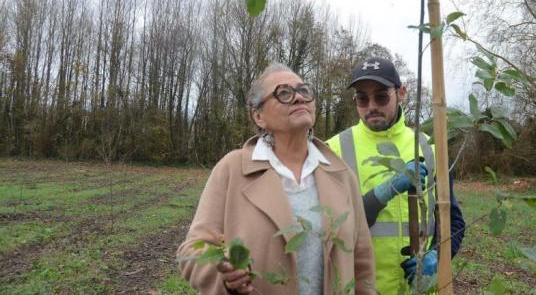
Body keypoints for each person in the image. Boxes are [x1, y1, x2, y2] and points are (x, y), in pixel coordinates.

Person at [177, 63, 375, 295]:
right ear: (258, 116)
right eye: (284, 93)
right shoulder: (232, 170)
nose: (299, 98)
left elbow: (362, 266)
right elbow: (191, 251)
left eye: (304, 91)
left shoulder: (341, 175)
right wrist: (224, 275)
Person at [327, 57, 465, 294]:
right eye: (362, 98)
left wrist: (438, 256)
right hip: (363, 288)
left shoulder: (429, 148)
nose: (371, 106)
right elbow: (331, 227)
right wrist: (385, 191)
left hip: (419, 289)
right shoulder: (334, 150)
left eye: (381, 96)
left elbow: (453, 221)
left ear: (401, 93)